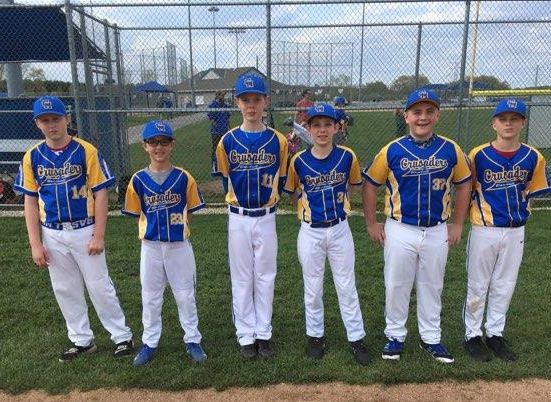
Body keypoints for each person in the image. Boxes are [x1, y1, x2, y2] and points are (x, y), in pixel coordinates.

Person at [14, 95, 134, 362]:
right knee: (65, 288)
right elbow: (30, 201)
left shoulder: (85, 151)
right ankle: (81, 340)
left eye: (56, 118)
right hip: (52, 232)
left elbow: (101, 194)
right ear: (37, 123)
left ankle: (122, 336)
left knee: (99, 286)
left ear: (67, 119)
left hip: (84, 228)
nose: (51, 125)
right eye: (45, 120)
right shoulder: (32, 156)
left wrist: (98, 235)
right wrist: (36, 243)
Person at [362, 89, 471, 364]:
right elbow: (370, 186)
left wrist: (458, 223)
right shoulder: (392, 149)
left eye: (428, 111)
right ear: (406, 116)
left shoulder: (450, 148)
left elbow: (464, 183)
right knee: (396, 284)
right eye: (417, 112)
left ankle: (431, 338)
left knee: (432, 285)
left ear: (437, 115)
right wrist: (372, 223)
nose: (423, 117)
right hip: (400, 228)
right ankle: (395, 335)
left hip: (437, 228)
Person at [463, 98, 550, 362]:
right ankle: (472, 335)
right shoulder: (477, 154)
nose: (508, 123)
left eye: (514, 118)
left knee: (505, 284)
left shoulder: (533, 156)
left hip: (515, 231)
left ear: (523, 122)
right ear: (494, 123)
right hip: (484, 228)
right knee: (478, 283)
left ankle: (495, 334)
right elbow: (467, 189)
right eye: (503, 119)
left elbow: (532, 191)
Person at [284, 103, 369, 365]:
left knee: (346, 286)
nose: (322, 130)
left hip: (339, 228)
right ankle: (315, 336)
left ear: (336, 127)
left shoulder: (347, 157)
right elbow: (292, 192)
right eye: (316, 125)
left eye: (327, 125)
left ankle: (356, 338)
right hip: (311, 231)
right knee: (313, 287)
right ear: (308, 129)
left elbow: (354, 186)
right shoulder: (299, 160)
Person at [214, 74, 288, 359]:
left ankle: (264, 332)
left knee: (266, 275)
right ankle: (246, 334)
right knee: (242, 276)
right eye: (246, 100)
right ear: (237, 103)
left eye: (257, 99)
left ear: (265, 101)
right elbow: (225, 181)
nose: (251, 105)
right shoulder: (227, 141)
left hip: (267, 216)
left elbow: (281, 181)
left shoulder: (278, 141)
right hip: (239, 216)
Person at [122, 120, 207, 366]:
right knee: (150, 296)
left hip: (179, 245)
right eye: (153, 142)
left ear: (172, 144)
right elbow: (137, 213)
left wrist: (179, 227)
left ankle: (192, 339)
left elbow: (190, 209)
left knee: (185, 295)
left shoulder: (184, 177)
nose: (159, 147)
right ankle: (150, 342)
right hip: (150, 246)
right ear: (144, 146)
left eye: (164, 142)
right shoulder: (138, 179)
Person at [207, 91, 231, 174]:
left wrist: (229, 128)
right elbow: (210, 117)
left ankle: (224, 166)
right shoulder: (213, 105)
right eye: (221, 95)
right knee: (215, 149)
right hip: (216, 131)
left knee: (225, 149)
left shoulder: (225, 105)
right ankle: (215, 167)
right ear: (217, 96)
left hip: (225, 131)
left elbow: (228, 118)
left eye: (223, 96)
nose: (223, 97)